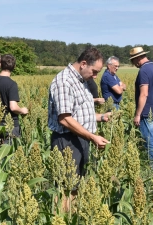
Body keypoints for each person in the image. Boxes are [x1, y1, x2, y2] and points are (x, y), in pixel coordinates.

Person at [48, 47, 110, 178]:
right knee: (66, 187)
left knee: (77, 186)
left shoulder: (81, 81)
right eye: (94, 72)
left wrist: (103, 117)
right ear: (83, 64)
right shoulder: (65, 82)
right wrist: (93, 137)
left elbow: (79, 114)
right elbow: (65, 119)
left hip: (81, 138)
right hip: (67, 141)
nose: (95, 76)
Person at [130, 47, 153, 168]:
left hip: (147, 111)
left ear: (138, 58)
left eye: (133, 61)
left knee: (149, 141)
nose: (133, 64)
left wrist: (138, 114)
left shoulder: (144, 71)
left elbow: (144, 94)